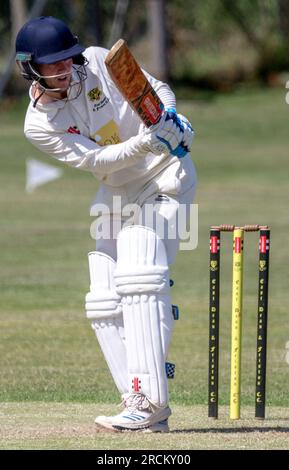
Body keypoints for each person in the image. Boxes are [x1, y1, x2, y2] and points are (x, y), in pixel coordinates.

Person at [15, 16, 197, 433]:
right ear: (30, 68)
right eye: (51, 65)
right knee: (102, 291)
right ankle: (138, 401)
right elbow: (94, 160)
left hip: (167, 175)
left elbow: (155, 90)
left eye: (66, 60)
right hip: (117, 188)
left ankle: (152, 401)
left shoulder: (98, 61)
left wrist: (169, 115)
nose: (63, 70)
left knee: (139, 271)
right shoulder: (38, 124)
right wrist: (148, 140)